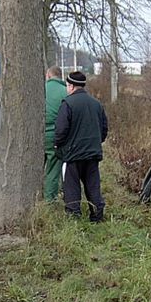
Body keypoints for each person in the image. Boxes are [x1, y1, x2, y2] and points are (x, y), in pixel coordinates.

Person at [54, 71, 108, 222]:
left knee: (71, 187)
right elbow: (104, 129)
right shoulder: (96, 104)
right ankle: (97, 216)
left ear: (71, 86)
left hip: (72, 155)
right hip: (92, 154)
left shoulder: (67, 103)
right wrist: (95, 144)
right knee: (93, 186)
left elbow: (61, 130)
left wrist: (58, 145)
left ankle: (74, 218)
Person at [44, 65, 67, 202]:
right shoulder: (65, 92)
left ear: (48, 75)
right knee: (53, 169)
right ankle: (49, 200)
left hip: (36, 135)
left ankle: (34, 198)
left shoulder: (39, 90)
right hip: (55, 136)